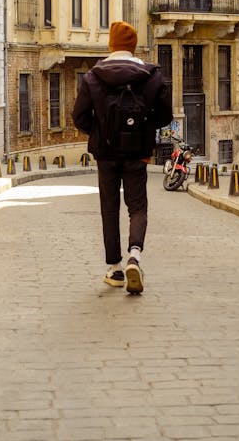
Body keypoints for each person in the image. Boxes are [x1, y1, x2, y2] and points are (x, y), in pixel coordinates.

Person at [72, 21, 173, 294]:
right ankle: (135, 256)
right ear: (133, 45)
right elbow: (165, 116)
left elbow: (78, 117)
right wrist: (143, 127)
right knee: (137, 205)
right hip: (137, 152)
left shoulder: (93, 77)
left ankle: (115, 268)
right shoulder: (151, 76)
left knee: (109, 207)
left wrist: (99, 130)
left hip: (105, 154)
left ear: (111, 45)